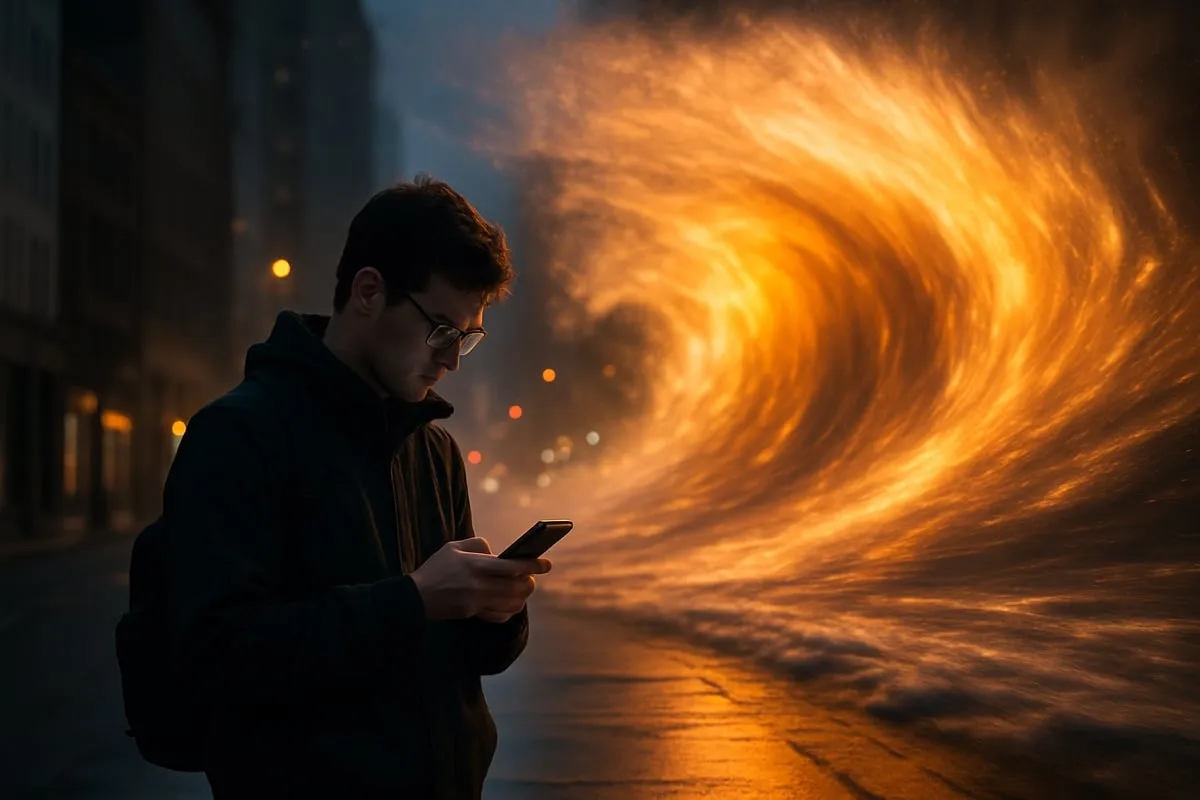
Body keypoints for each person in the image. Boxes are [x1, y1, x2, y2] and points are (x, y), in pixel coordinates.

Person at [162, 176, 550, 799]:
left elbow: (462, 658)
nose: (451, 359)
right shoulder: (238, 434)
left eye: (467, 338)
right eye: (442, 329)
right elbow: (220, 656)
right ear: (369, 292)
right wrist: (414, 600)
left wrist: (495, 614)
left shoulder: (434, 449)